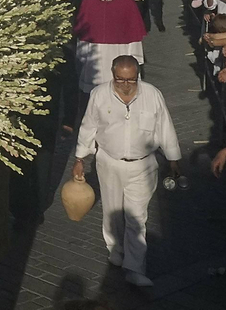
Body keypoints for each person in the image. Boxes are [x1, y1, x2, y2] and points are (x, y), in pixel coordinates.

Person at [71, 55, 182, 288]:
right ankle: (115, 247)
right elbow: (88, 126)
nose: (125, 85)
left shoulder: (153, 95)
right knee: (112, 209)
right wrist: (80, 158)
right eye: (120, 79)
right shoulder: (99, 95)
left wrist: (173, 159)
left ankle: (135, 267)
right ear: (113, 75)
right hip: (108, 162)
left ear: (137, 76)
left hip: (143, 165)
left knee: (136, 216)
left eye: (131, 80)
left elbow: (165, 127)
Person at [72, 0, 146, 94]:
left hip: (119, 51)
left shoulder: (126, 2)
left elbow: (134, 33)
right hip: (95, 54)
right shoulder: (88, 2)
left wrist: (134, 58)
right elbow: (82, 33)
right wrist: (81, 55)